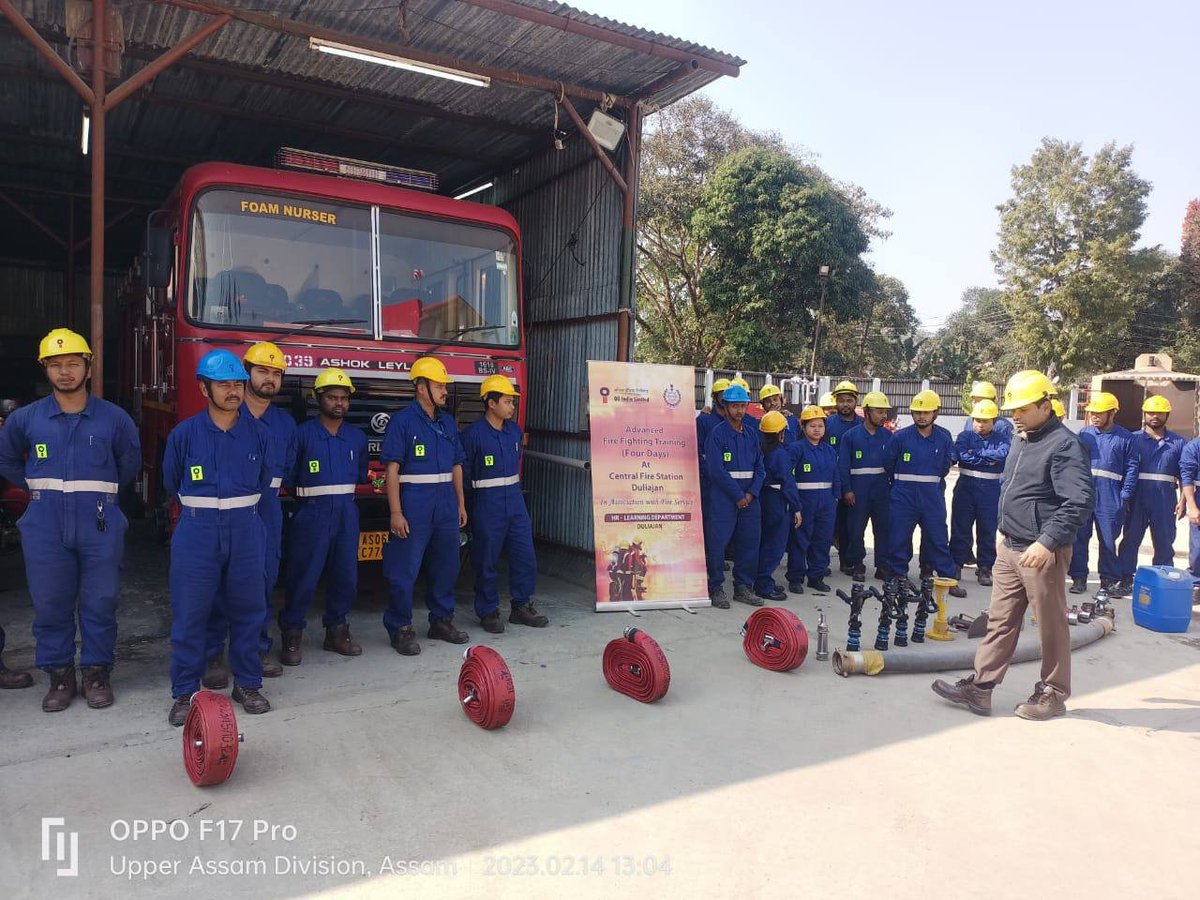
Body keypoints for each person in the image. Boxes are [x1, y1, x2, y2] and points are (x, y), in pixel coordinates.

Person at [932, 370, 1094, 720]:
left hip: (1040, 552)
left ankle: (1054, 693)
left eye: (1023, 408)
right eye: (1013, 409)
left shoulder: (1065, 445)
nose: (1015, 415)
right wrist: (1002, 530)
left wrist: (1047, 542)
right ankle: (981, 687)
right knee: (1000, 620)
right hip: (1009, 546)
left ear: (1045, 405)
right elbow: (1010, 489)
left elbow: (1079, 501)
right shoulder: (1022, 439)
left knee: (1051, 625)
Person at [0, 328, 140, 712]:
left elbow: (129, 463)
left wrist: (99, 493)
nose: (65, 372)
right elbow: (7, 459)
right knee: (50, 602)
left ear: (88, 368)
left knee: (101, 600)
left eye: (73, 363)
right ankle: (60, 676)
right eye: (56, 365)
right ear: (45, 370)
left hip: (100, 522)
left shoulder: (114, 419)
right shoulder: (26, 420)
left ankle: (96, 673)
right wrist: (36, 489)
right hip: (44, 523)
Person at [164, 350, 273, 725]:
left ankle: (248, 684)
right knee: (190, 612)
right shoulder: (184, 435)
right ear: (203, 388)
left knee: (249, 610)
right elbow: (171, 480)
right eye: (223, 384)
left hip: (246, 528)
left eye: (237, 384)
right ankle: (185, 692)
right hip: (198, 529)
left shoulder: (259, 434)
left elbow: (264, 481)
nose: (233, 391)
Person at [203, 342, 296, 687]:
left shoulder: (285, 425)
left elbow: (289, 470)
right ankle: (213, 653)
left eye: (276, 373)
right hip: (223, 510)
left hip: (266, 509)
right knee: (216, 582)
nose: (269, 379)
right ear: (245, 374)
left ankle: (256, 648)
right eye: (262, 371)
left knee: (261, 580)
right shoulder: (223, 416)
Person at [278, 368, 367, 664]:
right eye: (332, 397)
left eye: (344, 398)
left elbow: (361, 475)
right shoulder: (302, 434)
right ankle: (292, 635)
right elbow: (289, 477)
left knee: (346, 576)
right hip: (311, 513)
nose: (339, 403)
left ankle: (337, 632)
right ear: (318, 399)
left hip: (346, 513)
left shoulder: (356, 438)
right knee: (303, 575)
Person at [381, 356, 469, 653]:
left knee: (447, 565)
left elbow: (457, 464)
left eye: (444, 385)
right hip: (415, 502)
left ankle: (441, 621)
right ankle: (400, 627)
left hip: (445, 503)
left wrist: (460, 503)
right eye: (439, 385)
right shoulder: (402, 422)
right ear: (421, 387)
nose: (445, 391)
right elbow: (392, 470)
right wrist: (396, 512)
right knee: (404, 568)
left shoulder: (447, 422)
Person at [462, 375, 549, 632]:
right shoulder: (473, 435)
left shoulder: (514, 432)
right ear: (491, 403)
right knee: (486, 560)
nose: (512, 407)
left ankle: (521, 607)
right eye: (507, 402)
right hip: (486, 503)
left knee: (525, 556)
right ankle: (488, 611)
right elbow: (465, 475)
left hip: (514, 501)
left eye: (513, 402)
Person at [883, 389, 959, 592]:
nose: (921, 416)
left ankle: (947, 578)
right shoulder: (900, 437)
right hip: (903, 495)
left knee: (938, 537)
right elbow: (889, 463)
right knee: (899, 536)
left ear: (935, 413)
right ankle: (897, 575)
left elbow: (946, 466)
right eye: (917, 412)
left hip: (931, 496)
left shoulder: (943, 437)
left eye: (926, 412)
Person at [1068, 392, 1139, 596]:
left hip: (1111, 494)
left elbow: (1132, 468)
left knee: (1108, 540)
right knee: (1079, 537)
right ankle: (1079, 578)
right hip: (1085, 492)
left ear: (1112, 413)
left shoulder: (1126, 438)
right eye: (1093, 413)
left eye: (1099, 413)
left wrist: (1124, 496)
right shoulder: (1085, 435)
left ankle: (1107, 580)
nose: (1094, 417)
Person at [702, 383, 764, 608]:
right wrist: (738, 495)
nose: (739, 410)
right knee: (717, 544)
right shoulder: (717, 435)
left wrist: (751, 493)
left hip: (750, 499)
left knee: (749, 543)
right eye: (735, 406)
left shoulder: (751, 434)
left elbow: (760, 467)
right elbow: (716, 471)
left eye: (742, 406)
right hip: (724, 498)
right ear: (725, 406)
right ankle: (715, 587)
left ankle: (743, 587)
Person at [1116, 395, 1185, 593]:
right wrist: (1125, 497)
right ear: (1144, 414)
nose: (1155, 416)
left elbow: (1185, 475)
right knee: (1130, 540)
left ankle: (1162, 581)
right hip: (1137, 498)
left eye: (1159, 413)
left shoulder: (1178, 443)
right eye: (1151, 412)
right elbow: (1123, 470)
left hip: (1164, 499)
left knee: (1164, 541)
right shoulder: (1132, 439)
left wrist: (1182, 501)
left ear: (1167, 415)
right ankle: (1125, 578)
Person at [950, 399, 1010, 587]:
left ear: (994, 421)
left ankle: (985, 567)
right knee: (960, 528)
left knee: (987, 529)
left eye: (985, 421)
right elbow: (962, 455)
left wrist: (976, 453)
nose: (980, 425)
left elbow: (1003, 455)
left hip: (991, 489)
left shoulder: (1002, 438)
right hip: (966, 486)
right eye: (977, 420)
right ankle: (956, 564)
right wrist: (987, 459)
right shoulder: (964, 436)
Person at [839, 391, 895, 582]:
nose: (883, 416)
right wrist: (847, 489)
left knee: (883, 529)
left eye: (885, 412)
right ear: (867, 412)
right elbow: (843, 465)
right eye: (879, 411)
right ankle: (857, 564)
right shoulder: (850, 436)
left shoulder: (889, 437)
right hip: (858, 490)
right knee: (856, 529)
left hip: (882, 490)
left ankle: (882, 565)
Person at [786, 405, 840, 594]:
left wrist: (836, 497)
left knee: (822, 541)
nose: (817, 429)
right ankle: (795, 578)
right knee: (800, 541)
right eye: (812, 426)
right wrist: (795, 505)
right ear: (803, 426)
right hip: (804, 501)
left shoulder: (829, 450)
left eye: (820, 426)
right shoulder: (796, 449)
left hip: (826, 502)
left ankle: (816, 577)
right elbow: (788, 477)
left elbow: (836, 474)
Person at [753, 411, 803, 601]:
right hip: (777, 501)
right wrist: (796, 507)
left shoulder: (760, 450)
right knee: (775, 545)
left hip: (763, 497)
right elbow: (787, 482)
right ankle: (764, 585)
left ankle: (761, 581)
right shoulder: (780, 454)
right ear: (781, 433)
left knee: (764, 542)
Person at [826, 381, 863, 573]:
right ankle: (820, 564)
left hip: (853, 483)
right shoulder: (827, 424)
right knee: (826, 524)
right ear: (836, 402)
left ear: (856, 401)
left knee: (849, 524)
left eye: (849, 400)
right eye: (841, 400)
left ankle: (846, 561)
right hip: (829, 482)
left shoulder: (863, 425)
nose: (845, 404)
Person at [1179, 436, 1200, 586]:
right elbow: (1187, 477)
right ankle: (1196, 582)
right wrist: (1192, 507)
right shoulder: (1193, 447)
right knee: (1198, 548)